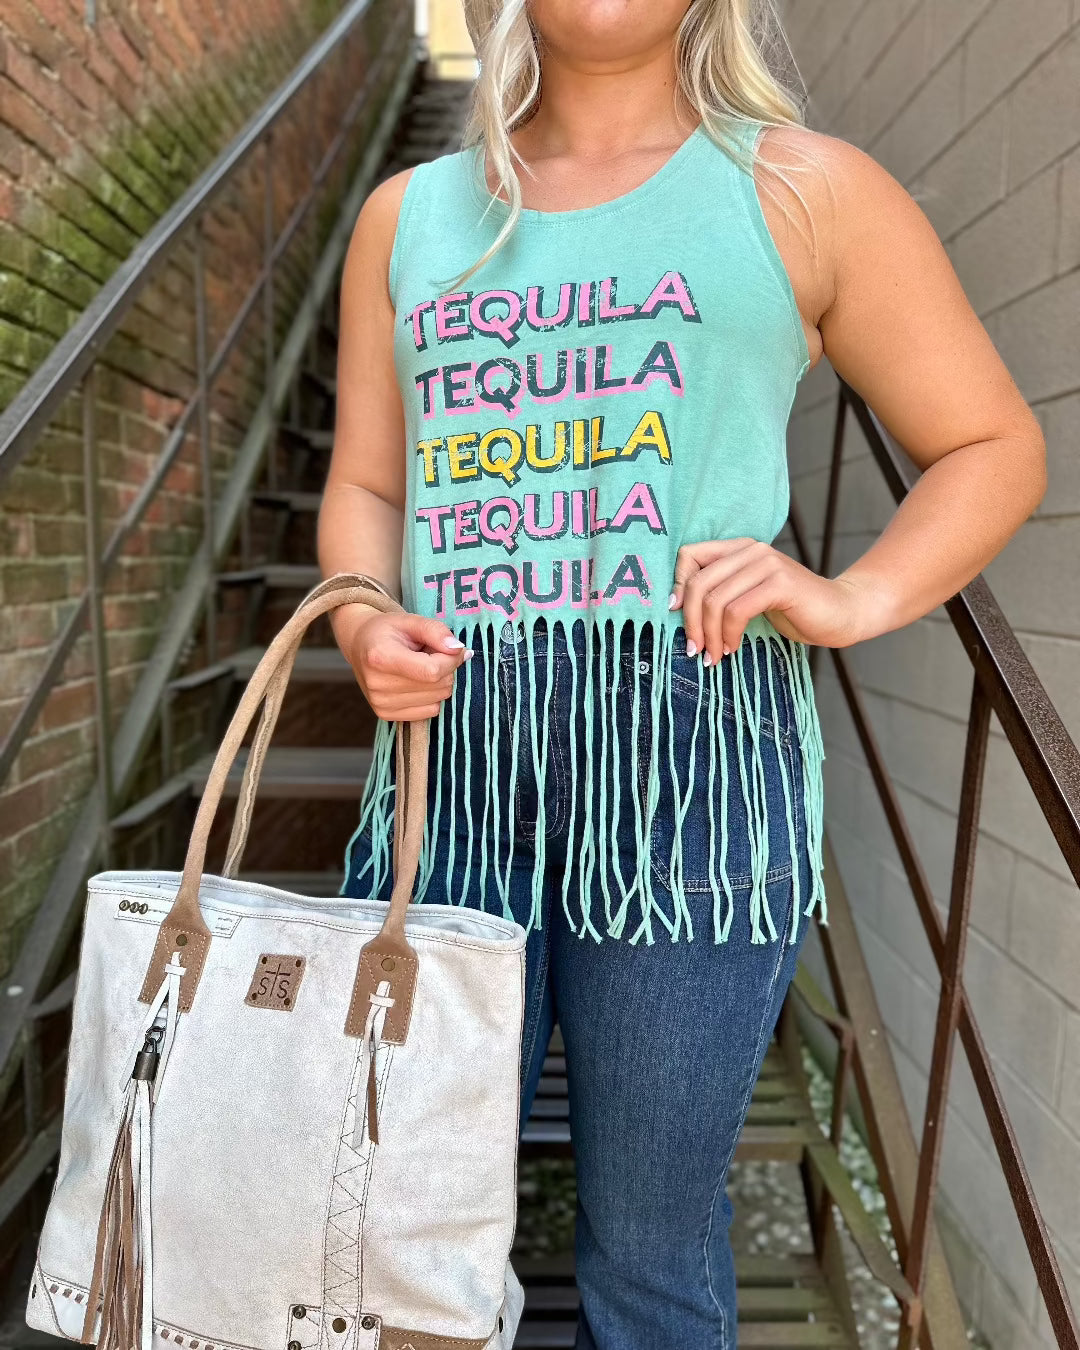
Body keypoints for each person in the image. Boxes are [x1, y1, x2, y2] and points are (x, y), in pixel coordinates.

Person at [318, 1, 1046, 1345]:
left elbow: (991, 444)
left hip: (694, 773)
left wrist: (849, 598)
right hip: (449, 771)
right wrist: (365, 621)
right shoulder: (407, 218)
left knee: (651, 1247)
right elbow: (368, 483)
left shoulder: (805, 192)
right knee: (393, 1224)